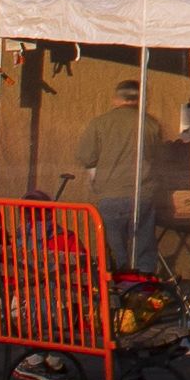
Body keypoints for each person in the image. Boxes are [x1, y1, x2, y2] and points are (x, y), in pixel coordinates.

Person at [58, 76, 154, 274]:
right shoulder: (150, 124)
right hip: (143, 194)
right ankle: (144, 293)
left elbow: (86, 156)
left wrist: (97, 175)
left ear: (116, 99)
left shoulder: (100, 123)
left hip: (111, 194)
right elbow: (159, 156)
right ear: (140, 99)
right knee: (143, 249)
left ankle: (118, 291)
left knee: (115, 250)